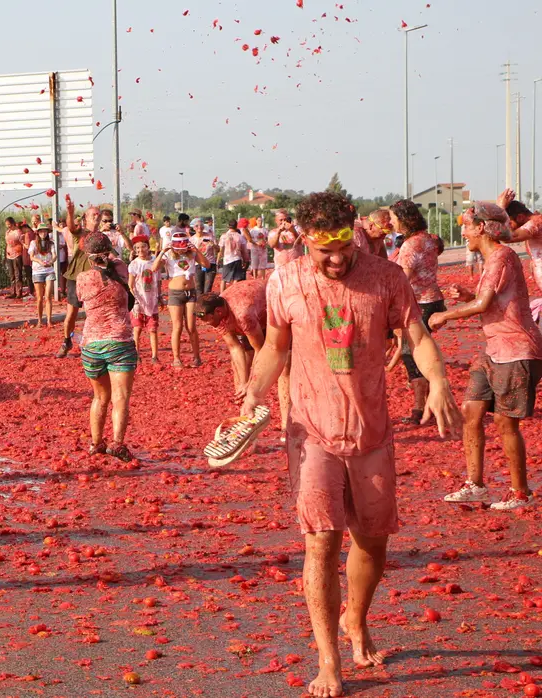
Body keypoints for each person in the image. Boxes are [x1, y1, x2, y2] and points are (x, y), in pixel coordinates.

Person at [240, 191, 460, 698]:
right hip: (311, 430)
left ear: (354, 234)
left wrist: (439, 379)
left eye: (344, 248)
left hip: (372, 432)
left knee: (372, 541)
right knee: (320, 541)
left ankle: (355, 620)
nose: (336, 259)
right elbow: (275, 347)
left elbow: (418, 337)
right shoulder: (287, 280)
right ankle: (328, 659)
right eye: (324, 252)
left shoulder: (387, 278)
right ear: (304, 241)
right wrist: (252, 394)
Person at [434, 202, 542, 511]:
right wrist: (468, 297)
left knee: (506, 424)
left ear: (481, 228)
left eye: (466, 226)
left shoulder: (502, 257)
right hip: (494, 349)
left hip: (515, 349)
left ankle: (521, 492)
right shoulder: (492, 259)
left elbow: (484, 306)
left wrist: (446, 316)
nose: (463, 233)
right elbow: (490, 300)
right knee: (471, 411)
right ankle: (475, 485)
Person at [195, 280, 292, 434]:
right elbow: (235, 348)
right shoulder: (218, 315)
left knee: (284, 366)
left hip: (272, 314)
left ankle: (286, 425)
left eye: (208, 320)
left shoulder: (242, 313)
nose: (207, 324)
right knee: (240, 367)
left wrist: (252, 383)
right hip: (250, 319)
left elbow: (261, 349)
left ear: (219, 312)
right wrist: (243, 383)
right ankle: (246, 424)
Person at [76, 233, 137, 461]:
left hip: (91, 344)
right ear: (109, 251)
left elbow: (81, 301)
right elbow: (117, 260)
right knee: (120, 397)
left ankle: (95, 443)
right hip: (119, 341)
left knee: (99, 397)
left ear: (88, 257)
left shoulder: (82, 278)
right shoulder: (120, 268)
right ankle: (117, 444)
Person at [390, 200, 446, 426]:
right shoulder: (430, 239)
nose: (392, 222)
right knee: (418, 351)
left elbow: (402, 279)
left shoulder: (410, 245)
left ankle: (420, 407)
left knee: (410, 353)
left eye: (393, 218)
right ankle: (429, 403)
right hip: (433, 299)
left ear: (403, 219)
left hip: (418, 302)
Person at [57, 196, 100, 358]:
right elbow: (70, 226)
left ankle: (92, 344)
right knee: (71, 315)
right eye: (93, 214)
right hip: (75, 278)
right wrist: (70, 211)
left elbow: (112, 257)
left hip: (94, 280)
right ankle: (66, 340)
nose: (97, 216)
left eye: (98, 214)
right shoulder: (80, 232)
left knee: (93, 314)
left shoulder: (102, 238)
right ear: (86, 218)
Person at [154, 231, 202, 368]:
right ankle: (176, 358)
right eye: (178, 245)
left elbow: (207, 264)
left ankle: (197, 357)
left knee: (191, 326)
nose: (181, 248)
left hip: (191, 292)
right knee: (177, 327)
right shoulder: (169, 255)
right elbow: (154, 268)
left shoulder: (192, 254)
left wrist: (196, 250)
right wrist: (163, 251)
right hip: (175, 293)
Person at [127, 236, 163, 363]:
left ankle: (154, 356)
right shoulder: (134, 264)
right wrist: (135, 302)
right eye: (137, 248)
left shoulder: (154, 261)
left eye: (143, 246)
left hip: (151, 301)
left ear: (148, 247)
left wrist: (160, 297)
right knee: (137, 329)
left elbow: (158, 281)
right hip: (138, 302)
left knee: (153, 329)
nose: (140, 250)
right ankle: (136, 354)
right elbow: (130, 285)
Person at [29, 227, 57, 327]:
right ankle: (40, 320)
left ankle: (49, 320)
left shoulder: (51, 243)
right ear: (38, 233)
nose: (43, 233)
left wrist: (51, 262)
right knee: (40, 298)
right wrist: (40, 261)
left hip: (49, 271)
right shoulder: (33, 243)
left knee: (48, 296)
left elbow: (55, 255)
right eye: (41, 231)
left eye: (45, 231)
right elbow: (31, 257)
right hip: (37, 271)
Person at [218, 219, 249, 288]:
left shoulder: (224, 236)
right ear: (236, 226)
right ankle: (233, 294)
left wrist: (219, 259)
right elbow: (244, 251)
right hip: (237, 259)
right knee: (236, 278)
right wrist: (246, 260)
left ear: (228, 226)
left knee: (224, 279)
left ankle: (222, 295)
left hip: (227, 260)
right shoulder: (240, 237)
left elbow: (220, 250)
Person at [4, 219, 25, 299]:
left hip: (17, 254)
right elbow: (7, 243)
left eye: (9, 224)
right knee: (11, 274)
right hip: (9, 255)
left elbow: (22, 242)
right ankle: (13, 291)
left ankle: (19, 292)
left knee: (18, 274)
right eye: (7, 225)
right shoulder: (7, 232)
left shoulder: (18, 232)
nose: (8, 226)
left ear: (13, 223)